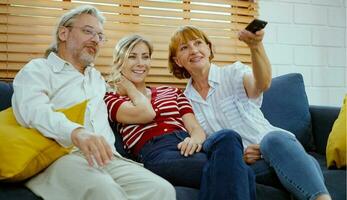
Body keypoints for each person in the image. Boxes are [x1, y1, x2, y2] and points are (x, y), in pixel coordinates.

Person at [11, 5, 175, 200]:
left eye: (99, 36)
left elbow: (143, 109)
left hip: (107, 158)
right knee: (104, 191)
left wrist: (126, 80)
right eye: (88, 31)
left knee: (161, 189)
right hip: (62, 156)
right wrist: (76, 132)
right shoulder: (39, 69)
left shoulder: (97, 79)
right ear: (64, 33)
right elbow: (32, 110)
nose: (95, 40)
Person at [168, 25, 332, 200]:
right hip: (248, 170)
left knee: (274, 139)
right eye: (184, 48)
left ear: (208, 48)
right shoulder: (183, 102)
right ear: (178, 61)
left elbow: (262, 84)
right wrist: (238, 157)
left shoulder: (234, 73)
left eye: (198, 43)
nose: (194, 50)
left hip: (281, 152)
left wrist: (256, 46)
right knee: (236, 180)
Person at [104, 34, 256, 200]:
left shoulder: (171, 91)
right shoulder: (112, 99)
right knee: (242, 172)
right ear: (119, 61)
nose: (141, 63)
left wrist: (195, 140)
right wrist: (128, 86)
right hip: (157, 153)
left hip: (188, 146)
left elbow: (195, 128)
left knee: (228, 136)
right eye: (132, 57)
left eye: (145, 57)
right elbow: (146, 113)